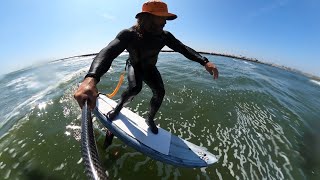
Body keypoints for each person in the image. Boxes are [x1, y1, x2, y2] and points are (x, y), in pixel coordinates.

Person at [74, 0, 218, 144]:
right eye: (161, 17)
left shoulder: (164, 36)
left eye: (165, 18)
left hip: (150, 68)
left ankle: (150, 119)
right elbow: (109, 52)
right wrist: (91, 78)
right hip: (135, 66)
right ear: (147, 17)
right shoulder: (129, 34)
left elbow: (183, 48)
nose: (165, 22)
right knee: (135, 88)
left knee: (160, 92)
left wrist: (204, 61)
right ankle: (117, 109)